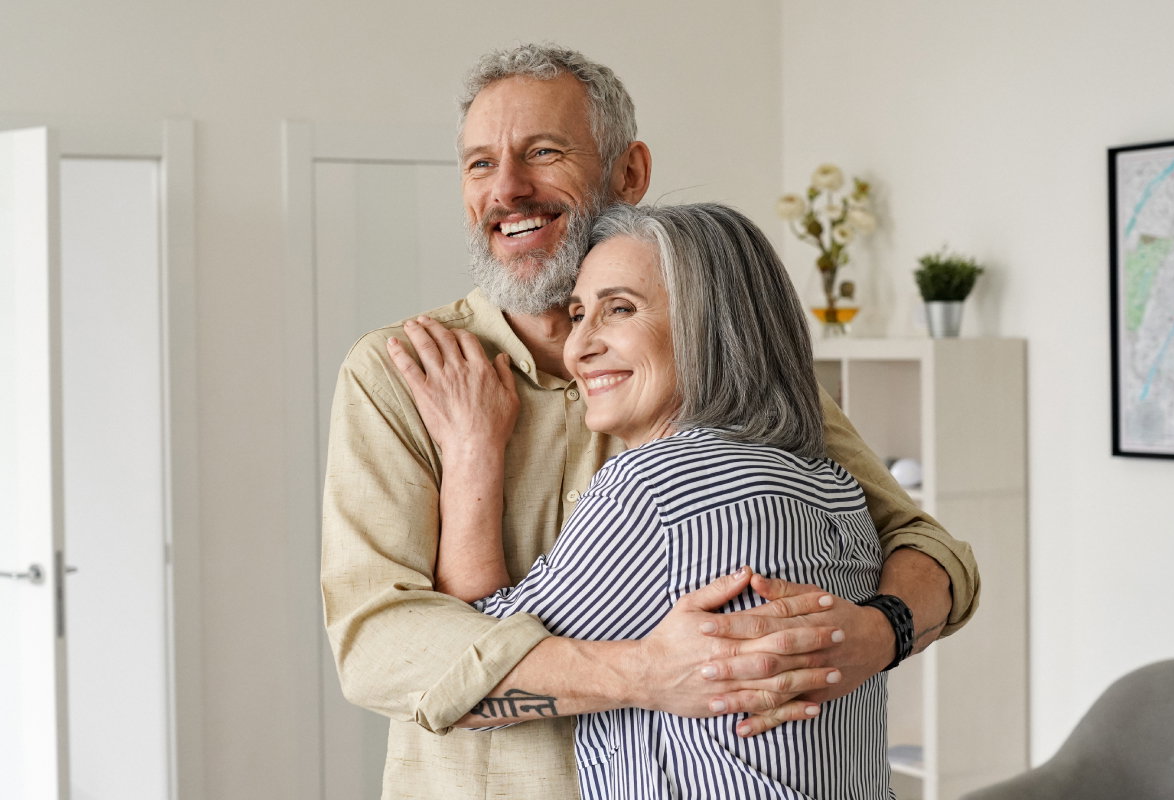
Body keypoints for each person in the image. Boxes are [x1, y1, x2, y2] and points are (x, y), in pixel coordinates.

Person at [321, 42, 979, 799]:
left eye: (542, 152)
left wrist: (874, 634)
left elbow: (928, 549)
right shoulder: (398, 374)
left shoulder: (721, 374)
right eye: (478, 164)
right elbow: (378, 646)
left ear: (629, 172)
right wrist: (647, 675)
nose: (507, 188)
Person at [411, 201, 893, 799]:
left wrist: (470, 448)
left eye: (619, 309)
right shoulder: (833, 485)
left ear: (710, 326)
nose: (577, 348)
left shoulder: (659, 484)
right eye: (578, 312)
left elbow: (475, 668)